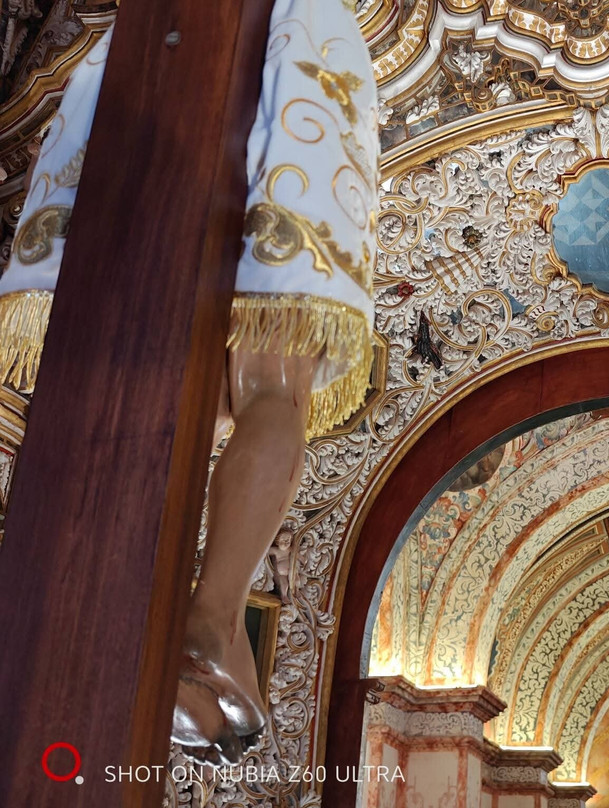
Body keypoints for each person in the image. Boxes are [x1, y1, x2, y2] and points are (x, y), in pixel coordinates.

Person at [0, 0, 379, 767]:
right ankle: (209, 617)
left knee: (168, 376)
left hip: (158, 51)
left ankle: (151, 616)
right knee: (271, 385)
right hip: (292, 52)